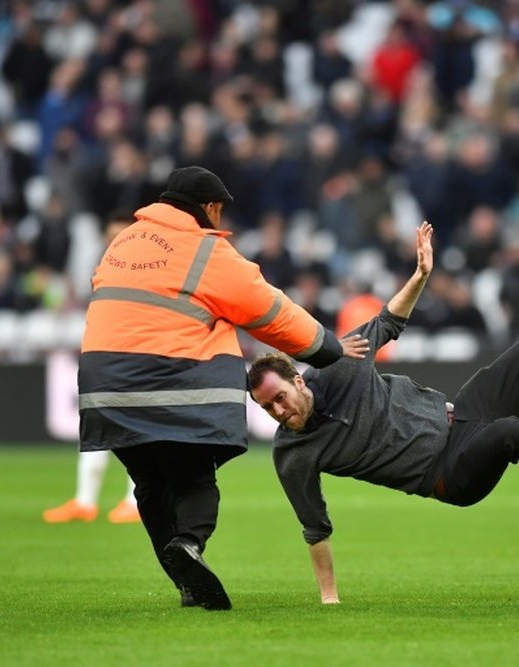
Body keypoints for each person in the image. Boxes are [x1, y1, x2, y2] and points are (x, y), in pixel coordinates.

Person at [247, 222, 519, 604]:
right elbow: (315, 527)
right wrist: (329, 599)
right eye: (268, 408)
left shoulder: (340, 365)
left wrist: (420, 276)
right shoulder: (293, 454)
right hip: (448, 473)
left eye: (279, 398)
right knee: (509, 431)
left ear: (299, 380)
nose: (278, 411)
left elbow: (388, 322)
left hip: (460, 416)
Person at [78, 166, 368, 611]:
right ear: (211, 208)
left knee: (151, 485)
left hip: (102, 385)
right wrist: (328, 348)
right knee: (193, 476)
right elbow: (271, 311)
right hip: (169, 379)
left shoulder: (123, 241)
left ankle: (188, 582)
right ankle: (190, 545)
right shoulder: (205, 251)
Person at [46, 212, 140, 525]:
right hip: (106, 355)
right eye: (111, 235)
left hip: (138, 357)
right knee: (96, 425)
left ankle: (134, 502)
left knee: (136, 428)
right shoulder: (103, 267)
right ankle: (85, 501)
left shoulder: (145, 269)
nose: (115, 241)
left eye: (121, 235)